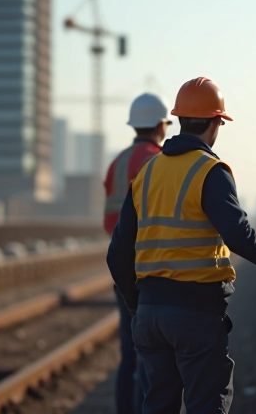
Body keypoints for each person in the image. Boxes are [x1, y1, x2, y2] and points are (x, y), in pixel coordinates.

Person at [107, 77, 256, 414]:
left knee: (156, 405)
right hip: (195, 313)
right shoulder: (210, 171)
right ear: (216, 122)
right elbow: (239, 236)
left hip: (149, 316)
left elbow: (117, 255)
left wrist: (137, 304)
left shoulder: (148, 172)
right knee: (206, 404)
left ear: (181, 120)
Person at [104, 92, 172, 414]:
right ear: (161, 125)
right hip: (149, 269)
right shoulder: (158, 161)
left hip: (121, 267)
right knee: (152, 358)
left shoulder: (117, 163)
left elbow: (109, 221)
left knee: (128, 354)